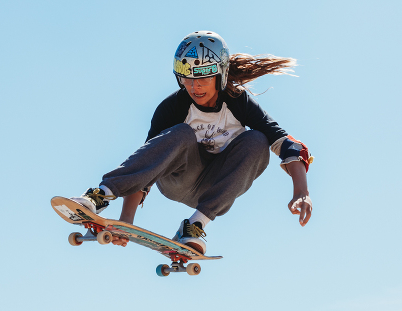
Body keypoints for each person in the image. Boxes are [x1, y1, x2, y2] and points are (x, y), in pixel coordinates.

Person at [71, 30, 313, 254]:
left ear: (220, 75)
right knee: (182, 133)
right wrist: (127, 221)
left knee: (258, 140)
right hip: (177, 179)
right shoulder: (173, 108)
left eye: (202, 79)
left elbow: (288, 144)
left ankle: (195, 226)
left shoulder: (239, 103)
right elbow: (146, 164)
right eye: (186, 79)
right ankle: (101, 195)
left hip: (216, 187)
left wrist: (301, 192)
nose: (194, 87)